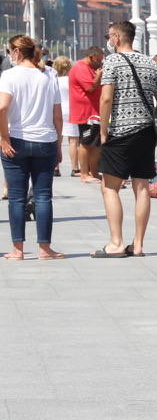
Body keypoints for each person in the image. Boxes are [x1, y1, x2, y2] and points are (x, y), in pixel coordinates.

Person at [94, 20, 157, 258]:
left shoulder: (113, 61)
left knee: (110, 187)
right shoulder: (149, 62)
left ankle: (116, 242)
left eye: (109, 36)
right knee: (142, 186)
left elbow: (106, 99)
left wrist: (104, 130)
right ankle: (138, 244)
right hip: (146, 131)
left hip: (120, 132)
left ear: (116, 38)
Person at [0, 35, 64, 260]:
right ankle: (45, 248)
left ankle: (18, 249)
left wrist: (4, 139)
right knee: (43, 196)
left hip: (16, 140)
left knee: (17, 197)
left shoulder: (9, 75)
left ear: (16, 52)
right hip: (45, 140)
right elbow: (57, 115)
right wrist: (58, 144)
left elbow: (2, 108)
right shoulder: (49, 74)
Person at [69, 47, 103, 182]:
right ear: (91, 57)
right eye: (98, 60)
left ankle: (93, 172)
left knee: (95, 144)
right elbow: (89, 87)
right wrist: (99, 76)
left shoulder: (90, 68)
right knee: (86, 143)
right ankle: (84, 173)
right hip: (86, 113)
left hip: (94, 112)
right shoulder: (80, 68)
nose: (100, 63)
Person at [54, 56, 77, 176]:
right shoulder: (71, 80)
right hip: (71, 110)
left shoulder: (54, 80)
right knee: (73, 140)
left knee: (58, 139)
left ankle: (56, 167)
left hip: (58, 109)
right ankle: (75, 168)